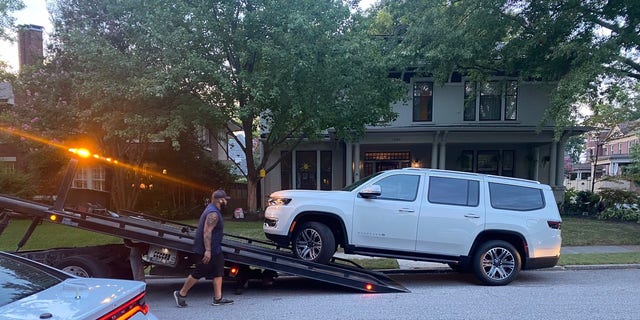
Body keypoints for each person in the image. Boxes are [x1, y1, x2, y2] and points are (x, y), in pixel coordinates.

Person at [173, 189, 234, 307]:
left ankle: (218, 298)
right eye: (225, 199)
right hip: (206, 249)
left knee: (218, 270)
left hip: (215, 249)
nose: (226, 201)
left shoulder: (213, 209)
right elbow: (207, 232)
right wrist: (208, 250)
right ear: (220, 200)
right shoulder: (213, 214)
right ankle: (181, 294)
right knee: (200, 271)